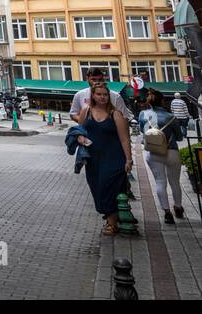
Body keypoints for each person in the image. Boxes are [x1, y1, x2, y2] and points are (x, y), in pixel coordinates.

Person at [74, 83, 134, 236]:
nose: (102, 97)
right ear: (92, 96)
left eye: (105, 95)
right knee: (97, 189)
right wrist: (79, 137)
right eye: (99, 94)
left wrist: (128, 159)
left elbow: (124, 139)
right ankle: (110, 219)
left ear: (109, 97)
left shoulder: (116, 114)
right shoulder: (86, 112)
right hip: (93, 159)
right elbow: (78, 131)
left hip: (113, 158)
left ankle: (112, 224)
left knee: (108, 187)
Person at [138, 89, 186, 224]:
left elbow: (143, 131)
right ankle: (178, 207)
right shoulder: (170, 117)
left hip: (153, 153)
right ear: (163, 101)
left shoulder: (143, 114)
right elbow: (179, 137)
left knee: (160, 182)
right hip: (171, 152)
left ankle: (166, 212)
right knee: (175, 182)